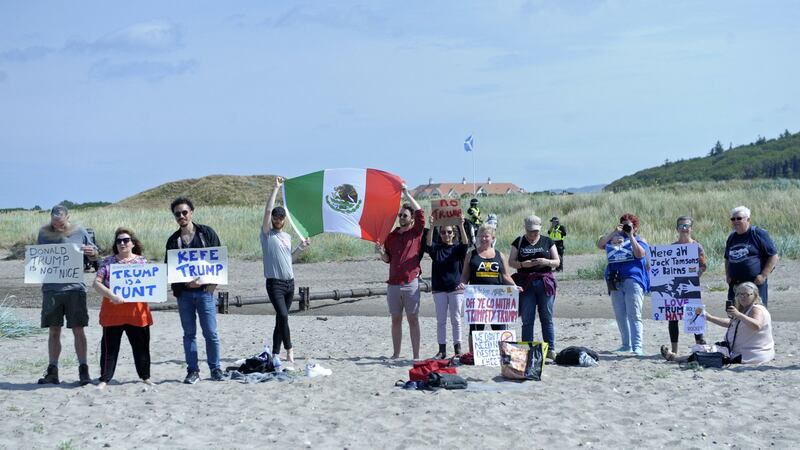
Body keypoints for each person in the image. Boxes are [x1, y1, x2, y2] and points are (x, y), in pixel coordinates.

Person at [36, 205, 99, 385]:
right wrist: (30, 256)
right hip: (51, 290)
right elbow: (38, 259)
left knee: (78, 330)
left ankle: (84, 370)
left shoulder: (79, 231)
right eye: (55, 224)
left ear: (68, 217)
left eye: (61, 224)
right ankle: (52, 371)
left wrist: (92, 253)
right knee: (54, 330)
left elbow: (95, 254)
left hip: (74, 289)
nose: (58, 227)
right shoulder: (43, 233)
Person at [165, 197, 223, 384]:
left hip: (205, 293)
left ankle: (215, 369)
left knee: (211, 333)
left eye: (184, 212)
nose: (181, 216)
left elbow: (219, 262)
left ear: (191, 212)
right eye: (177, 214)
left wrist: (209, 286)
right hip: (184, 296)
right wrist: (183, 286)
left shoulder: (206, 233)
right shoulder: (173, 241)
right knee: (189, 334)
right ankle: (193, 371)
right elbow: (170, 269)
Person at [92, 228, 153, 389]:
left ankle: (145, 376)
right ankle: (104, 378)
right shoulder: (108, 262)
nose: (122, 243)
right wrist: (111, 295)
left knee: (141, 347)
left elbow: (152, 284)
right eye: (119, 241)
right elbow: (96, 283)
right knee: (109, 348)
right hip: (113, 313)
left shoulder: (142, 262)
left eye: (126, 240)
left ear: (132, 243)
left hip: (137, 313)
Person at [661, 282, 774, 365]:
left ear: (754, 295)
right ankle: (676, 357)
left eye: (747, 294)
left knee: (708, 354)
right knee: (708, 349)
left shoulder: (756, 309)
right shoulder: (746, 309)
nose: (743, 297)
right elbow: (731, 324)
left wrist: (738, 315)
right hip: (742, 350)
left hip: (751, 354)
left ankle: (675, 358)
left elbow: (756, 325)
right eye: (740, 294)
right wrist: (709, 317)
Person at [262, 176, 310, 364]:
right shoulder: (267, 234)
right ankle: (290, 349)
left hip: (290, 283)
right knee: (283, 315)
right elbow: (267, 210)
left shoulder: (287, 237)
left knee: (280, 320)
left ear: (284, 220)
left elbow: (289, 260)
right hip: (274, 284)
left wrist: (301, 247)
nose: (277, 220)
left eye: (280, 217)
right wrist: (275, 188)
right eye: (275, 217)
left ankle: (275, 353)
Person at [376, 186, 424, 359]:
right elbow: (387, 259)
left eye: (405, 215)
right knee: (396, 320)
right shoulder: (391, 236)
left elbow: (420, 211)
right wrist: (380, 252)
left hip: (411, 283)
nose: (401, 217)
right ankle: (396, 354)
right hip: (393, 284)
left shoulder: (416, 232)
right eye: (400, 215)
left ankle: (416, 355)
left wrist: (406, 194)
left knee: (413, 319)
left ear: (411, 219)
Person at [458, 225, 520, 351]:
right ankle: (473, 355)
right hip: (477, 299)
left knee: (500, 328)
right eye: (481, 236)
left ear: (493, 238)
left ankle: (503, 354)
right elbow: (465, 275)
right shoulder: (471, 255)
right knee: (475, 328)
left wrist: (514, 287)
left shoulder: (500, 255)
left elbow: (505, 276)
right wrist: (463, 284)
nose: (484, 239)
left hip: (497, 299)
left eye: (487, 236)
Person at [596, 213, 650, 355]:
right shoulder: (614, 239)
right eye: (624, 224)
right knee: (620, 314)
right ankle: (626, 344)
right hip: (615, 279)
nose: (626, 227)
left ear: (635, 227)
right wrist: (614, 232)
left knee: (634, 313)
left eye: (629, 225)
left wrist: (631, 236)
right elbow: (600, 244)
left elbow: (640, 254)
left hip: (633, 279)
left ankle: (637, 345)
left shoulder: (639, 239)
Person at [509, 215, 560, 360]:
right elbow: (511, 262)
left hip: (544, 282)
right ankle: (527, 348)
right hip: (525, 283)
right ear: (525, 229)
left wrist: (546, 261)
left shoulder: (547, 241)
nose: (533, 234)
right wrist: (523, 265)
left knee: (547, 317)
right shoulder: (518, 241)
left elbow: (557, 261)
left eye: (536, 231)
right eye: (531, 231)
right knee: (527, 318)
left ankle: (550, 349)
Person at [424, 217, 469, 358]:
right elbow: (429, 244)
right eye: (443, 232)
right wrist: (431, 227)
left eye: (449, 232)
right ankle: (442, 350)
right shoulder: (437, 249)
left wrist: (461, 225)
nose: (446, 235)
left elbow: (465, 243)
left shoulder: (457, 249)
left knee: (456, 319)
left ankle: (457, 349)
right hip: (439, 289)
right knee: (441, 320)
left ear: (453, 233)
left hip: (456, 288)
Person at [667, 216, 708, 354]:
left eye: (687, 226)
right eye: (681, 226)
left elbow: (703, 265)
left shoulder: (696, 247)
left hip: (691, 287)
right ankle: (674, 350)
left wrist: (696, 275)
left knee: (695, 315)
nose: (684, 229)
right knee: (673, 318)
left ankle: (699, 345)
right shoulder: (672, 248)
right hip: (675, 288)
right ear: (677, 228)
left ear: (691, 228)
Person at [725, 206, 779, 308]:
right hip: (735, 284)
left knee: (756, 312)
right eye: (733, 219)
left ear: (748, 219)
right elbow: (727, 258)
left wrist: (763, 276)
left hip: (754, 283)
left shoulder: (758, 234)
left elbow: (773, 256)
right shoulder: (732, 237)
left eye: (739, 218)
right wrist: (727, 275)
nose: (735, 221)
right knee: (733, 313)